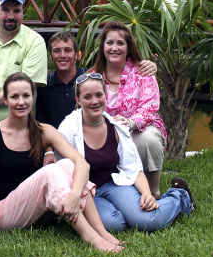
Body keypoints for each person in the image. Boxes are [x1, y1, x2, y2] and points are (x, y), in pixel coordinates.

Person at [0, 72, 124, 252]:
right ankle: (89, 236)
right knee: (51, 171)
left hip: (38, 211)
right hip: (4, 213)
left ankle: (101, 231)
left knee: (67, 165)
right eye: (14, 96)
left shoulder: (43, 131)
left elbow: (82, 163)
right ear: (5, 100)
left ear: (33, 96)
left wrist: (74, 195)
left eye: (26, 95)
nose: (21, 102)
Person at [57, 72, 195, 232]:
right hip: (87, 193)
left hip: (115, 184)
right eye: (87, 97)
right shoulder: (67, 128)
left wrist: (146, 193)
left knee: (147, 221)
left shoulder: (116, 127)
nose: (94, 101)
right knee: (113, 225)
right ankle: (129, 214)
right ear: (78, 100)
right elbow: (62, 171)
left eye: (99, 95)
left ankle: (180, 195)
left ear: (105, 96)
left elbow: (133, 167)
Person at [35, 31, 157, 166]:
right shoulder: (44, 86)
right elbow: (42, 124)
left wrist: (150, 65)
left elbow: (115, 71)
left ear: (77, 54)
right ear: (51, 55)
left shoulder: (92, 77)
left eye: (68, 50)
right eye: (57, 51)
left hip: (92, 144)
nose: (62, 55)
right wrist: (48, 151)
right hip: (58, 146)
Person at [89, 21, 166, 199]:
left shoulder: (143, 72)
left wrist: (130, 123)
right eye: (110, 43)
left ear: (129, 47)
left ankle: (153, 191)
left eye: (120, 43)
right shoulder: (92, 76)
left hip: (139, 128)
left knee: (147, 140)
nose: (114, 48)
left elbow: (150, 107)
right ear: (102, 47)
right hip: (105, 132)